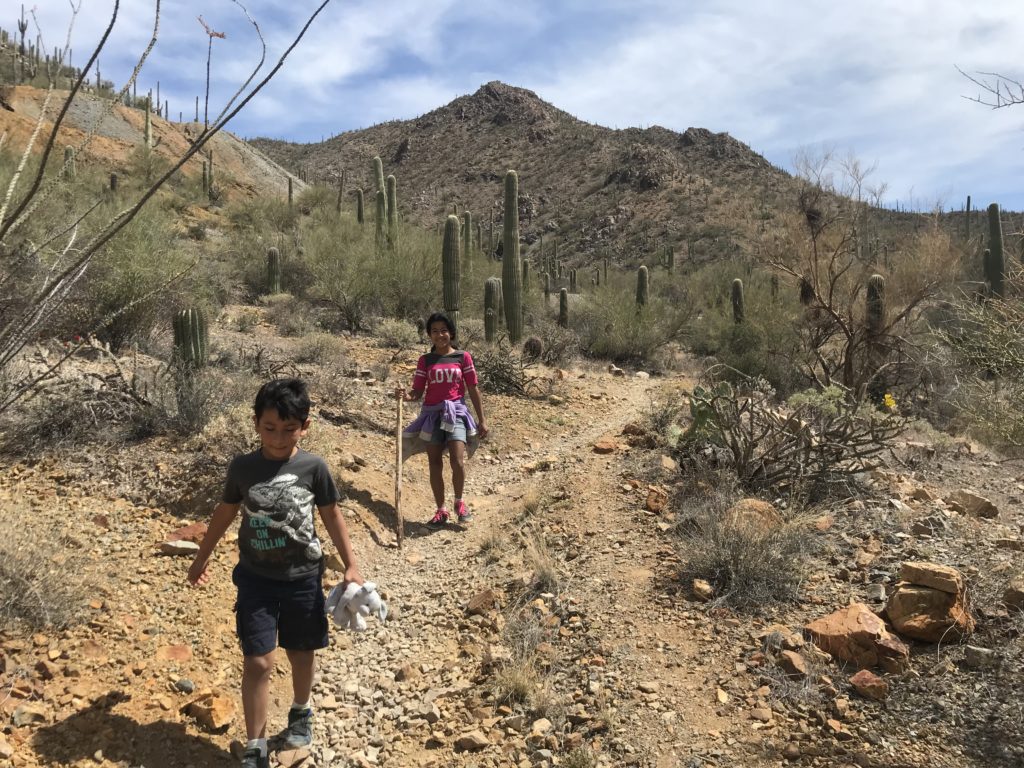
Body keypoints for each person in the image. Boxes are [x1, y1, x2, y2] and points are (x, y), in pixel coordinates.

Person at [187, 379, 362, 768]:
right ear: (255, 424)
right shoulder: (243, 468)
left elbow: (331, 514)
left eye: (289, 429)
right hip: (255, 578)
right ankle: (256, 746)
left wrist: (351, 564)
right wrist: (202, 557)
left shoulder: (314, 467)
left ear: (305, 426)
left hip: (302, 577)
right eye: (269, 429)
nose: (279, 438)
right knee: (259, 661)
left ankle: (301, 713)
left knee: (301, 652)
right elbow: (226, 511)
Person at [397, 312, 488, 527]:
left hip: (455, 413)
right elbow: (417, 392)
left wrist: (481, 419)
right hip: (431, 416)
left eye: (444, 330)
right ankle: (441, 510)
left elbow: (473, 388)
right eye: (435, 331)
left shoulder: (462, 357)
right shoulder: (425, 361)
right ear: (429, 335)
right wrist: (406, 397)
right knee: (434, 463)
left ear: (451, 333)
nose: (440, 335)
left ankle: (459, 502)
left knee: (457, 460)